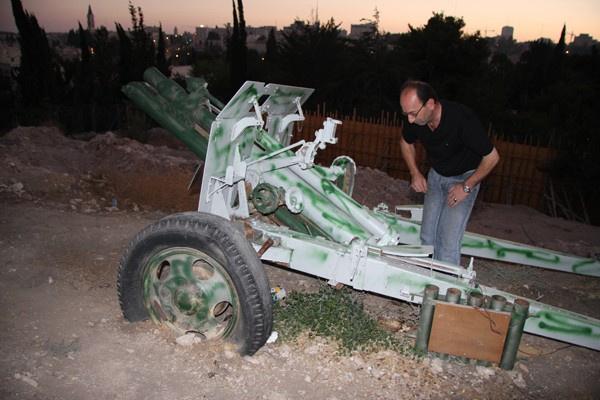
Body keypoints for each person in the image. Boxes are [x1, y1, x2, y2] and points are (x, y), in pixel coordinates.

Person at [399, 80, 499, 266]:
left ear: (430, 104)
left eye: (413, 113)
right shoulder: (416, 120)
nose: (410, 120)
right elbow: (405, 142)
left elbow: (492, 157)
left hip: (464, 178)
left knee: (447, 243)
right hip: (436, 177)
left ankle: (445, 282)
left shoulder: (462, 119)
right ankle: (426, 278)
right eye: (406, 114)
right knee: (427, 238)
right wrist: (415, 173)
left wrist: (466, 187)